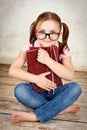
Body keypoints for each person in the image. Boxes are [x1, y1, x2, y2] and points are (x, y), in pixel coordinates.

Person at [9, 11, 82, 123]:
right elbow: (13, 70)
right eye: (42, 32)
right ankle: (59, 109)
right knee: (20, 89)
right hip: (34, 92)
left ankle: (36, 116)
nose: (47, 37)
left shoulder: (63, 48)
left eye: (53, 33)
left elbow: (69, 75)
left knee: (75, 88)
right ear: (36, 32)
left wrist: (48, 60)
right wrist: (36, 79)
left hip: (56, 92)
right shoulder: (28, 47)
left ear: (60, 33)